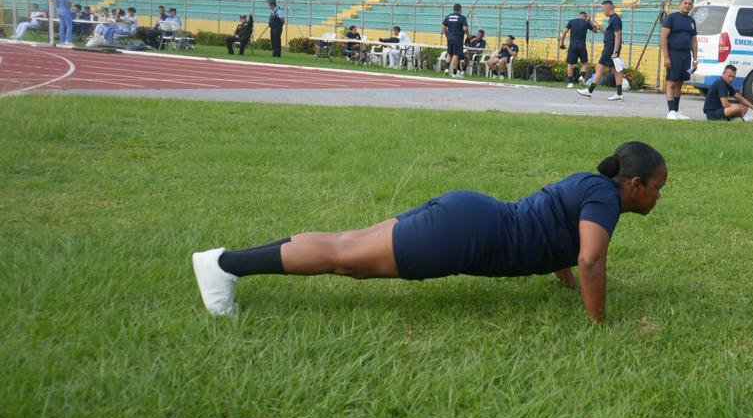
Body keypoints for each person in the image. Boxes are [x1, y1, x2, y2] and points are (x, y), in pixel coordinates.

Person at [192, 141, 667, 324]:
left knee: (346, 245)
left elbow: (557, 235)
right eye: (657, 188)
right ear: (635, 184)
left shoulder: (590, 184)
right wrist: (599, 323)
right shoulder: (606, 199)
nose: (658, 198)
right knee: (346, 259)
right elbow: (590, 259)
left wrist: (563, 283)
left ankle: (223, 263)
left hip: (470, 212)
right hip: (468, 234)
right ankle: (224, 265)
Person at [660, 0, 698, 119]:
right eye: (685, 3)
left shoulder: (691, 21)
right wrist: (666, 57)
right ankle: (670, 111)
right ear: (680, 3)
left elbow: (694, 41)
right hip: (673, 54)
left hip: (686, 56)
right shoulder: (671, 18)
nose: (687, 5)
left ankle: (676, 111)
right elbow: (663, 38)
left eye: (690, 4)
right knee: (671, 82)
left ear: (692, 6)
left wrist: (695, 60)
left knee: (679, 83)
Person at [577, 0, 624, 101]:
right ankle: (619, 94)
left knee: (599, 67)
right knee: (616, 70)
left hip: (611, 47)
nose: (603, 11)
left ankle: (589, 91)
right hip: (610, 46)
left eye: (603, 9)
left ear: (608, 8)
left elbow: (618, 35)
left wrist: (615, 52)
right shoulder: (611, 19)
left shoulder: (615, 19)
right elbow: (608, 33)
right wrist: (600, 28)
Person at [560, 11, 598, 88]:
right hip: (582, 45)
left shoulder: (571, 22)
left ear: (579, 16)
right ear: (585, 17)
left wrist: (562, 43)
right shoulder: (586, 23)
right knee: (584, 63)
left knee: (570, 64)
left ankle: (570, 82)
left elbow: (564, 32)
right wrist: (590, 21)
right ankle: (582, 77)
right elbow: (595, 30)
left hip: (572, 45)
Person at [442, 3, 470, 76]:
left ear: (453, 9)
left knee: (449, 53)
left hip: (449, 38)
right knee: (456, 55)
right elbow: (465, 28)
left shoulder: (448, 16)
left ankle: (446, 69)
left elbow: (443, 27)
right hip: (458, 38)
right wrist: (468, 35)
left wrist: (446, 35)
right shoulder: (462, 18)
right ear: (460, 9)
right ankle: (455, 73)